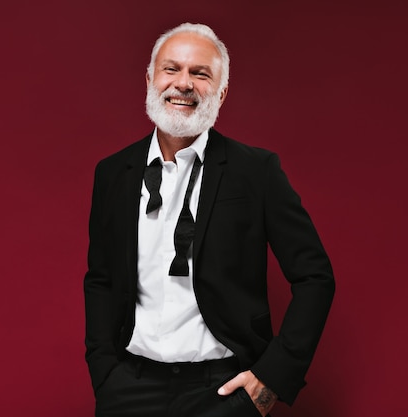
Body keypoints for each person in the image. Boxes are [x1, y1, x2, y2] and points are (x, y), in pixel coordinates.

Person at [84, 23, 335, 417]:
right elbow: (100, 278)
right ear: (150, 79)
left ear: (221, 91)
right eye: (172, 69)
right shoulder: (113, 172)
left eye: (200, 73)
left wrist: (270, 380)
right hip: (127, 389)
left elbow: (315, 277)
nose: (183, 83)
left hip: (223, 391)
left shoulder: (257, 171)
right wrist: (104, 371)